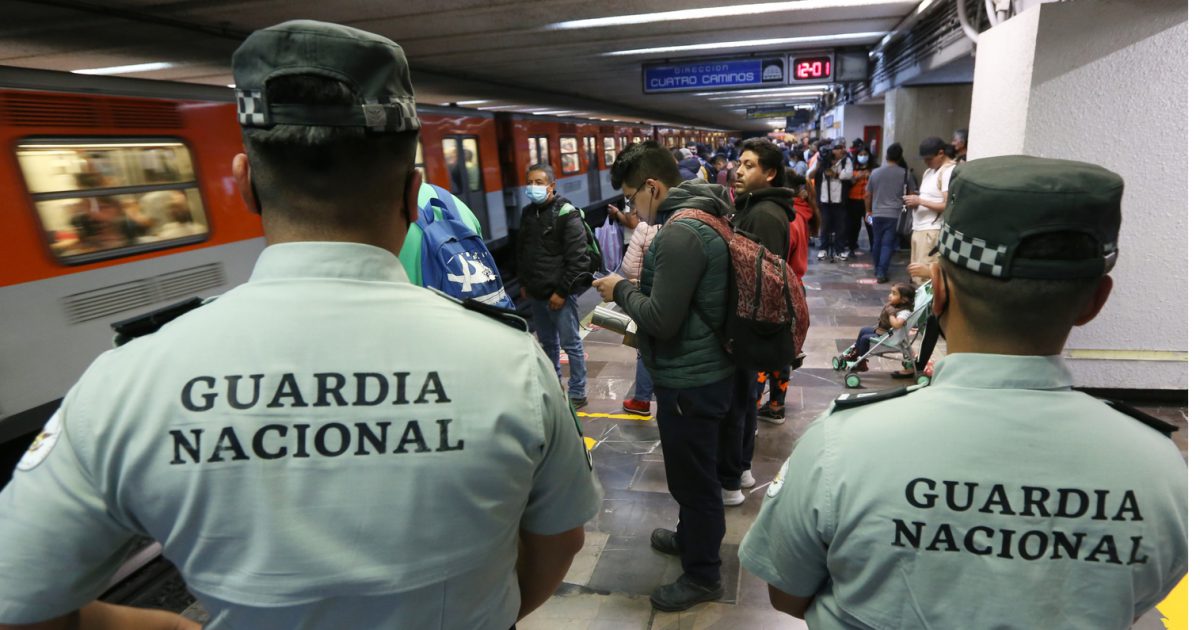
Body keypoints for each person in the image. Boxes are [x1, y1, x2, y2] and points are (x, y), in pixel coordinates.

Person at [0, 20, 602, 630]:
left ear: (243, 184)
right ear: (412, 190)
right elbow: (561, 540)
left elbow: (17, 602)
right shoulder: (511, 361)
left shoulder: (125, 382)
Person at [739, 155, 1187, 628]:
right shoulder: (1160, 471)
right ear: (1095, 302)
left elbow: (787, 594)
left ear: (940, 290)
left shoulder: (841, 445)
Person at [592, 141, 736, 612]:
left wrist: (620, 290)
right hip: (703, 369)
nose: (633, 208)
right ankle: (690, 539)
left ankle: (702, 576)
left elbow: (660, 318)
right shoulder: (700, 217)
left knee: (694, 481)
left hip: (691, 380)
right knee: (693, 476)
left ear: (653, 187)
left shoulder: (679, 233)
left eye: (633, 197)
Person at [726, 137, 795, 502]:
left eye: (749, 165)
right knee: (745, 399)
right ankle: (742, 469)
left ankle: (732, 479)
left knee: (738, 401)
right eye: (739, 163)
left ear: (769, 173)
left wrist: (741, 332)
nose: (738, 170)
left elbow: (760, 280)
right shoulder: (758, 207)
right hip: (747, 325)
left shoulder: (764, 215)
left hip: (745, 326)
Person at [516, 163, 591, 408]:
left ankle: (578, 392)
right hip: (537, 293)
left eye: (539, 182)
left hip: (559, 295)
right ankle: (553, 386)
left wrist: (562, 292)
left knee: (571, 345)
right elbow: (525, 251)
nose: (533, 187)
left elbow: (578, 259)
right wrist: (525, 282)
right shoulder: (528, 213)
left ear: (551, 185)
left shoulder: (566, 213)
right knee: (547, 344)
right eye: (530, 182)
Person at [756, 172, 817, 425]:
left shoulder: (784, 219)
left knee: (760, 352)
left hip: (781, 291)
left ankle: (753, 407)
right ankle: (776, 406)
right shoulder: (801, 214)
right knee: (782, 351)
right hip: (795, 288)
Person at [619, 218, 661, 417]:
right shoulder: (687, 223)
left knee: (645, 347)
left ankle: (642, 399)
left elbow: (629, 267)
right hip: (671, 297)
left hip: (646, 295)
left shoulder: (645, 228)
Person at [902, 137, 955, 283]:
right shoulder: (929, 172)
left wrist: (920, 201)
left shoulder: (948, 171)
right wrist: (915, 202)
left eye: (929, 159)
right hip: (919, 228)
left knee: (926, 276)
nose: (926, 162)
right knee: (916, 274)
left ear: (941, 153)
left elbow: (948, 204)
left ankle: (929, 305)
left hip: (932, 230)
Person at [864, 143, 918, 283]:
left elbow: (867, 195)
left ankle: (877, 269)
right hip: (895, 215)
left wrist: (868, 210)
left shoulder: (875, 172)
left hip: (876, 213)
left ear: (886, 155)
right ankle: (881, 272)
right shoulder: (905, 173)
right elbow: (911, 195)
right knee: (887, 244)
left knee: (876, 242)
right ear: (900, 157)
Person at [846, 282, 915, 373]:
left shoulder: (904, 312)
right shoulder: (895, 305)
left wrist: (891, 314)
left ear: (903, 300)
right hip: (883, 331)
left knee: (864, 339)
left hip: (890, 336)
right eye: (891, 292)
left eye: (894, 294)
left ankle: (861, 362)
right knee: (863, 330)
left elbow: (897, 324)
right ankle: (856, 353)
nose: (890, 295)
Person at [809, 140, 853, 262]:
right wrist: (819, 164)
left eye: (841, 148)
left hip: (840, 200)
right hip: (824, 200)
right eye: (837, 148)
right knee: (825, 225)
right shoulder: (822, 161)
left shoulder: (846, 160)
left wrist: (835, 173)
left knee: (841, 226)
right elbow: (809, 175)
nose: (840, 150)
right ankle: (823, 249)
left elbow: (848, 175)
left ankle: (839, 250)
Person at [845, 148, 874, 256]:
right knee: (854, 225)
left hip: (868, 203)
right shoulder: (852, 168)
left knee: (870, 224)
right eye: (860, 154)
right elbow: (848, 183)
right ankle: (852, 247)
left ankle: (874, 247)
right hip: (854, 202)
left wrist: (870, 176)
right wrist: (857, 177)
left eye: (865, 154)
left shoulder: (873, 169)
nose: (862, 156)